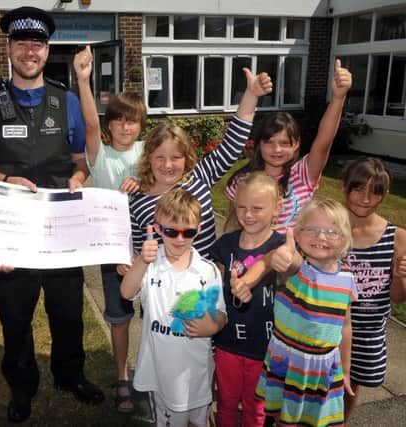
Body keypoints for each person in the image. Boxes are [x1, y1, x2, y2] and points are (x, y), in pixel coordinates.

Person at [0, 6, 102, 423]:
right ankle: (22, 386)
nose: (29, 51)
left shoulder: (66, 100)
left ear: (46, 50)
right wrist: (4, 177)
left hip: (60, 230)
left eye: (36, 44)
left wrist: (79, 177)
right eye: (20, 43)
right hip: (12, 232)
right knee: (17, 317)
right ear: (8, 48)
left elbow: (81, 158)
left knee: (67, 311)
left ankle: (70, 375)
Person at [127, 67, 272, 269]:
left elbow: (232, 144)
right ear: (148, 158)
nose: (168, 165)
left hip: (205, 289)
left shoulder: (199, 177)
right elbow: (135, 251)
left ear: (186, 158)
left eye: (175, 157)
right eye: (160, 157)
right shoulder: (136, 203)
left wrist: (251, 95)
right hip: (163, 293)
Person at [74, 45, 144, 413]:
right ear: (110, 123)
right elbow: (88, 123)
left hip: (149, 251)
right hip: (112, 252)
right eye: (118, 120)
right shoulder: (99, 153)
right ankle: (122, 377)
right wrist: (83, 81)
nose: (125, 126)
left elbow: (171, 178)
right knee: (119, 319)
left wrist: (143, 184)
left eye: (132, 121)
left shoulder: (148, 152)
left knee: (156, 315)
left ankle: (150, 372)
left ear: (140, 125)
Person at [121, 189, 227, 427]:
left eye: (188, 232)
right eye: (170, 231)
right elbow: (126, 293)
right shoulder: (150, 265)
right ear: (158, 229)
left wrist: (212, 325)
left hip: (197, 373)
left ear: (198, 230)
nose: (179, 239)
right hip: (160, 372)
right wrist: (141, 261)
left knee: (200, 422)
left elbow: (222, 315)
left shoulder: (208, 270)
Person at [255, 197, 357, 426]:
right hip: (290, 363)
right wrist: (283, 257)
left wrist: (346, 370)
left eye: (332, 231)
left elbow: (345, 325)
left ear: (345, 240)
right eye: (313, 230)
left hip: (324, 368)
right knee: (285, 419)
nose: (321, 237)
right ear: (298, 235)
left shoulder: (347, 278)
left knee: (317, 420)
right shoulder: (298, 269)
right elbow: (287, 263)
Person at [224, 59, 353, 234]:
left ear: (296, 144)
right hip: (253, 258)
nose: (277, 150)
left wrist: (338, 98)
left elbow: (324, 141)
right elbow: (233, 224)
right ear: (258, 145)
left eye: (284, 143)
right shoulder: (243, 180)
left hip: (294, 257)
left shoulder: (303, 174)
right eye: (269, 142)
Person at [207, 172, 285, 427]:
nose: (248, 214)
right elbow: (210, 278)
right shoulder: (226, 244)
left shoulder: (282, 246)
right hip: (227, 343)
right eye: (241, 207)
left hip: (266, 348)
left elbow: (292, 265)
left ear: (277, 208)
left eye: (257, 208)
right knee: (227, 402)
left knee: (256, 407)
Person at [340, 157, 406, 420]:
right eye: (358, 189)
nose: (365, 199)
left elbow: (398, 297)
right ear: (344, 187)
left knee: (350, 387)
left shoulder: (398, 237)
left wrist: (400, 277)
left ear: (384, 194)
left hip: (368, 334)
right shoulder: (329, 228)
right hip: (328, 327)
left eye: (375, 192)